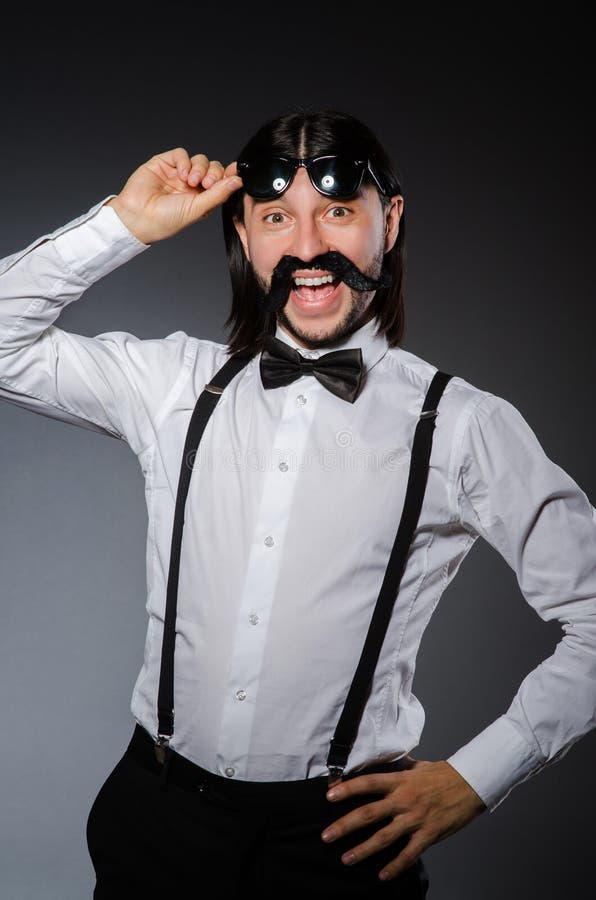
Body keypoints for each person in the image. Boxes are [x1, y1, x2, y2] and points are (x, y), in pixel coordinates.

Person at [1, 107, 595, 899]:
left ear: (390, 220)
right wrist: (126, 224)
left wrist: (479, 777)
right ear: (243, 237)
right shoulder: (175, 386)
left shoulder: (461, 426)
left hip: (338, 850)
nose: (309, 248)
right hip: (154, 820)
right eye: (277, 217)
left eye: (339, 211)